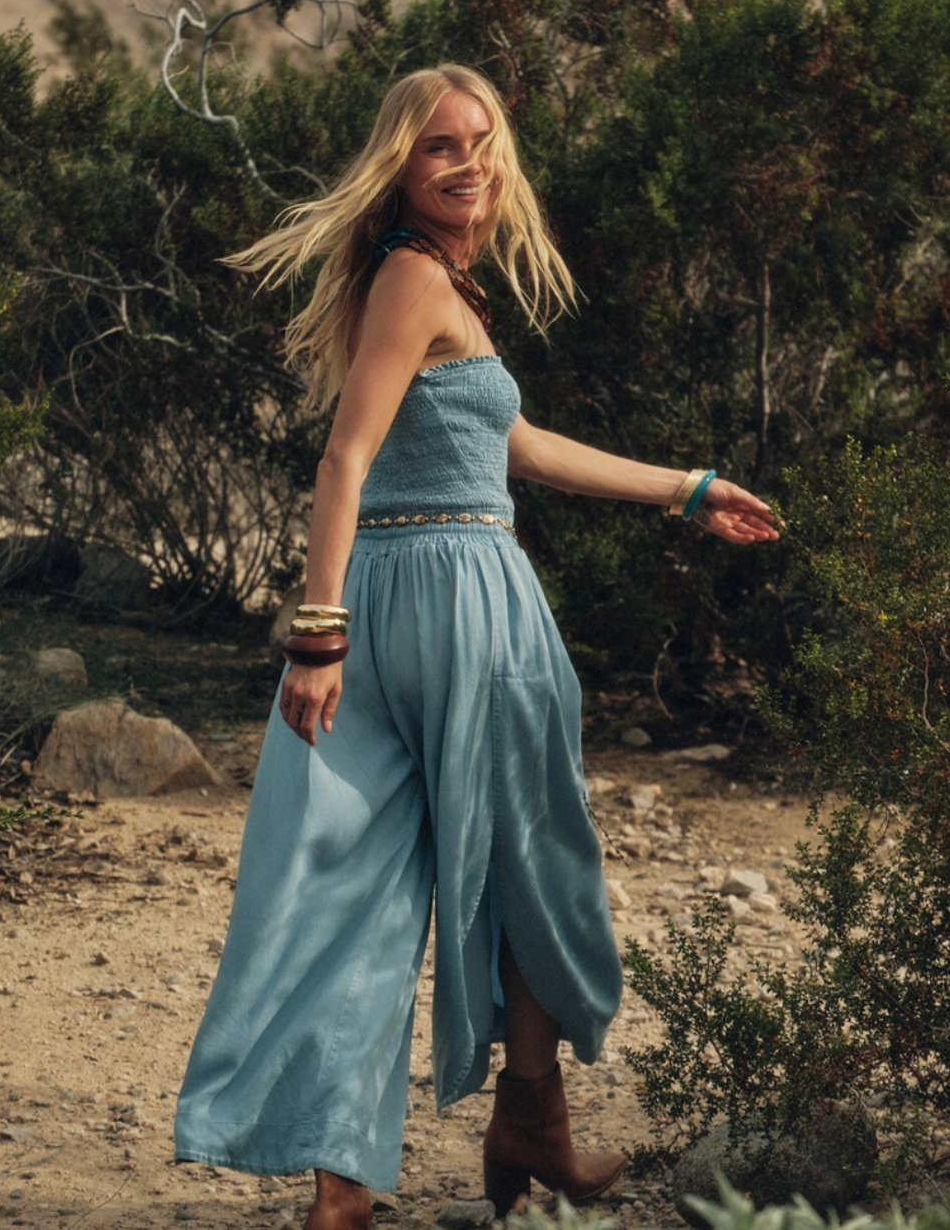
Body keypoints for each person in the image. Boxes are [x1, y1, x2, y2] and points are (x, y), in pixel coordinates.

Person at [174, 64, 779, 1230]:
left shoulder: (426, 286)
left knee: (354, 889)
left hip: (391, 601)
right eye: (441, 146)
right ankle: (531, 1111)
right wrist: (313, 633)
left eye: (484, 141)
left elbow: (514, 445)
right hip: (462, 604)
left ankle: (348, 1185)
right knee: (529, 867)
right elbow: (343, 460)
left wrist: (685, 486)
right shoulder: (412, 275)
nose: (470, 163)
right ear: (400, 167)